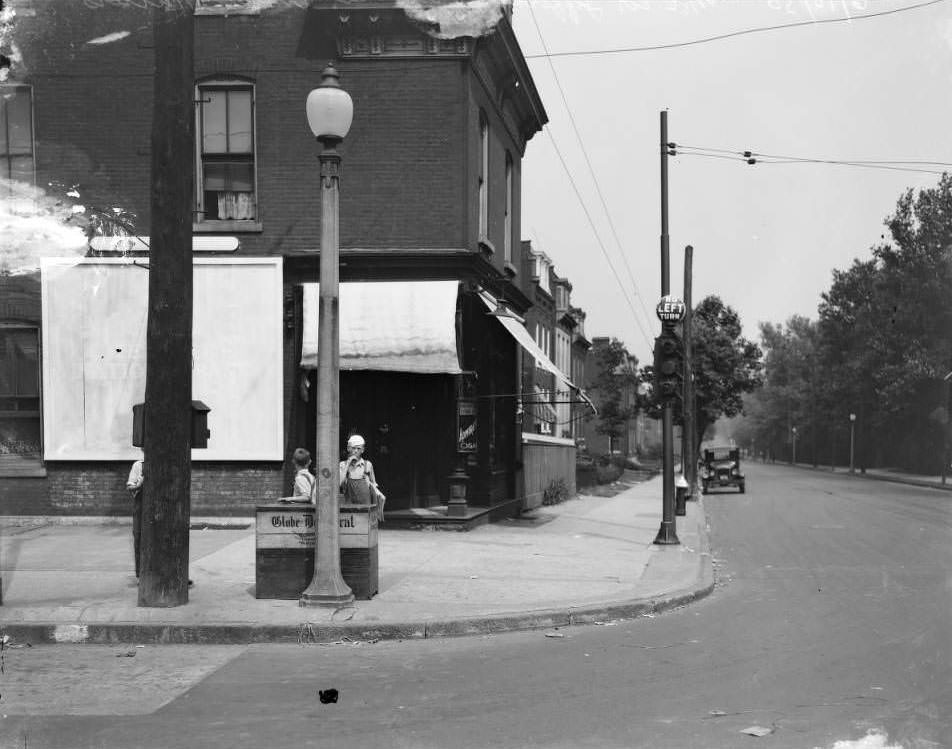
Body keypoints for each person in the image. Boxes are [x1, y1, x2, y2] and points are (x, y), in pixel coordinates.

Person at [339, 434, 386, 522]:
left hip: (366, 507)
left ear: (363, 450)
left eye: (358, 448)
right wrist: (348, 464)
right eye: (353, 448)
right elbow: (340, 484)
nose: (355, 451)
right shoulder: (342, 465)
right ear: (348, 448)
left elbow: (373, 486)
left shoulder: (367, 465)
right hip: (349, 507)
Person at [125, 454, 145, 578]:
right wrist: (139, 485)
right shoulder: (139, 465)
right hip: (141, 508)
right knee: (139, 539)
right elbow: (129, 486)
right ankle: (140, 574)